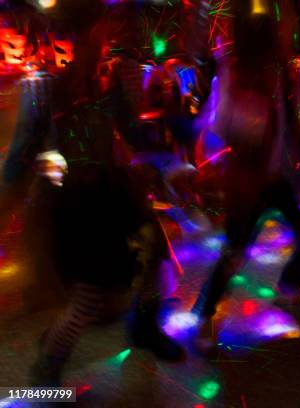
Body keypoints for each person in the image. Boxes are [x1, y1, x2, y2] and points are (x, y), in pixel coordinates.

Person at [28, 1, 183, 386]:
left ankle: (145, 330)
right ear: (82, 37)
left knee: (158, 264)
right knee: (89, 300)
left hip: (117, 195)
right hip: (85, 211)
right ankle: (48, 367)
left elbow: (129, 129)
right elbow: (48, 156)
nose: (109, 35)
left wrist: (161, 158)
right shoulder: (55, 89)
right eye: (101, 29)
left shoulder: (108, 77)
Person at [192, 0, 300, 345]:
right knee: (234, 251)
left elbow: (294, 120)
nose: (290, 31)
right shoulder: (238, 73)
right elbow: (222, 127)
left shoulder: (287, 69)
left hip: (285, 175)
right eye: (283, 27)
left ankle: (291, 284)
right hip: (250, 182)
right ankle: (205, 313)